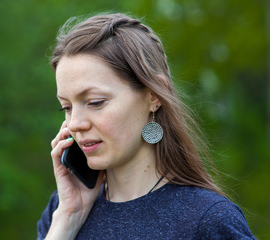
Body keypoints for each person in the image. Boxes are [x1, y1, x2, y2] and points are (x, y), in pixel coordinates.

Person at [37, 13, 255, 239]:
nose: (75, 124)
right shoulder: (62, 209)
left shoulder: (207, 220)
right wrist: (68, 218)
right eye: (67, 107)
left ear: (153, 96)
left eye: (95, 103)